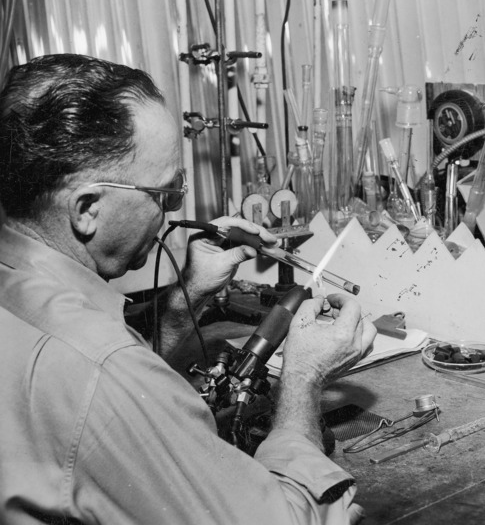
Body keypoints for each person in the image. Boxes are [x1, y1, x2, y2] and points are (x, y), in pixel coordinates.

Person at [0, 54, 376, 524]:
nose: (172, 214)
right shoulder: (105, 370)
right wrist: (303, 378)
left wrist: (186, 298)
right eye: (165, 195)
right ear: (86, 209)